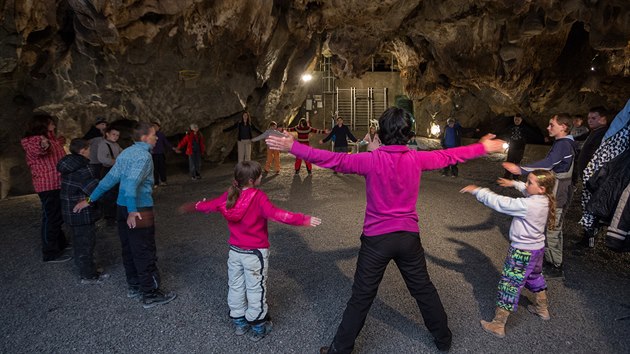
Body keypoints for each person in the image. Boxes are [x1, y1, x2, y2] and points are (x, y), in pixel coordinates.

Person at [266, 107, 506, 353]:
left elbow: (334, 159)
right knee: (423, 290)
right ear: (408, 134)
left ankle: (340, 350)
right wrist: (482, 148)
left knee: (361, 297)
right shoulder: (416, 158)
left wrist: (294, 147)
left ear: (379, 134)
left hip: (376, 240)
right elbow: (448, 156)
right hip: (408, 237)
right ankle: (443, 339)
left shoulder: (371, 159)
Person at [180, 161, 321, 342]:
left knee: (236, 285)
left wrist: (194, 206)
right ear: (253, 180)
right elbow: (278, 215)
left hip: (235, 252)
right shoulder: (258, 197)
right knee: (256, 288)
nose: (262, 177)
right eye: (261, 175)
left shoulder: (229, 195)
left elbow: (209, 205)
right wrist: (303, 220)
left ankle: (239, 322)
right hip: (255, 253)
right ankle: (258, 325)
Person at [74, 122, 177, 309]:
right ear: (145, 138)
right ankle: (150, 293)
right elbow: (131, 186)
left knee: (129, 249)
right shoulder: (143, 157)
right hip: (137, 210)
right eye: (154, 134)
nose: (156, 137)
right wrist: (132, 211)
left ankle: (135, 286)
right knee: (144, 250)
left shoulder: (127, 153)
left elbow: (108, 180)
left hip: (122, 208)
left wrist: (89, 200)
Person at [460, 170, 557, 338]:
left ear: (541, 188)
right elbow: (528, 191)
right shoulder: (546, 199)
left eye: (529, 182)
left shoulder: (527, 205)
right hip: (537, 249)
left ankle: (498, 324)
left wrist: (478, 191)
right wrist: (515, 184)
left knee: (510, 284)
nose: (526, 185)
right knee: (534, 275)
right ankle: (542, 309)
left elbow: (501, 202)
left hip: (522, 251)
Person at [503, 113, 577, 279]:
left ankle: (556, 265)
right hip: (558, 190)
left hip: (559, 192)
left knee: (553, 228)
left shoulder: (564, 145)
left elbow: (548, 163)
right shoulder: (564, 143)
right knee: (551, 226)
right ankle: (550, 260)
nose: (548, 127)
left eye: (552, 124)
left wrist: (520, 169)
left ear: (563, 127)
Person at [57, 138, 108, 283]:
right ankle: (88, 275)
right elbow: (94, 191)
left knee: (79, 242)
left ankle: (87, 269)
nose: (90, 151)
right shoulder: (83, 168)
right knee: (86, 243)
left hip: (70, 211)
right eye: (89, 148)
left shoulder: (69, 164)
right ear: (82, 150)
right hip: (81, 213)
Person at [21, 114, 70, 263]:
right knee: (51, 218)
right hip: (48, 184)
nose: (54, 126)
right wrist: (44, 145)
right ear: (43, 124)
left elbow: (52, 149)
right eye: (51, 124)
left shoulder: (50, 138)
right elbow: (39, 149)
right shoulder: (34, 140)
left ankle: (60, 244)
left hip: (56, 182)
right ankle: (50, 252)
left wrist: (57, 142)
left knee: (56, 215)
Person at [579, 102, 628, 249]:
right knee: (590, 206)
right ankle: (587, 237)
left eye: (593, 118)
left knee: (592, 207)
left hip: (596, 178)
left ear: (603, 119)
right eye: (589, 118)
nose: (590, 121)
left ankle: (588, 239)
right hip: (591, 177)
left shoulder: (606, 136)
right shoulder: (594, 133)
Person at [97, 126, 123, 224]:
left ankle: (115, 214)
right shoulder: (103, 144)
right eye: (113, 134)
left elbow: (123, 152)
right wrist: (116, 162)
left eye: (117, 135)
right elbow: (102, 159)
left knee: (116, 192)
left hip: (115, 170)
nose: (116, 137)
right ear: (107, 134)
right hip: (108, 170)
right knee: (109, 194)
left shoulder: (115, 144)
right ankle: (109, 217)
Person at [501, 113, 536, 180]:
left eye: (518, 120)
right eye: (515, 119)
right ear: (514, 119)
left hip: (520, 149)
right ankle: (507, 176)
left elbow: (533, 134)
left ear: (521, 120)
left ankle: (515, 176)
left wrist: (544, 138)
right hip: (511, 148)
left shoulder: (524, 128)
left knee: (517, 163)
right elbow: (503, 132)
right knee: (509, 162)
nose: (516, 121)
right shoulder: (510, 127)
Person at [151, 121, 176, 187]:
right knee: (154, 169)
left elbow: (166, 142)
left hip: (160, 153)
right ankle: (156, 182)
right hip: (153, 154)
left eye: (156, 126)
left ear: (159, 127)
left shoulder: (161, 134)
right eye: (153, 126)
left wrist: (173, 148)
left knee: (162, 167)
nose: (155, 128)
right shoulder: (150, 135)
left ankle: (163, 181)